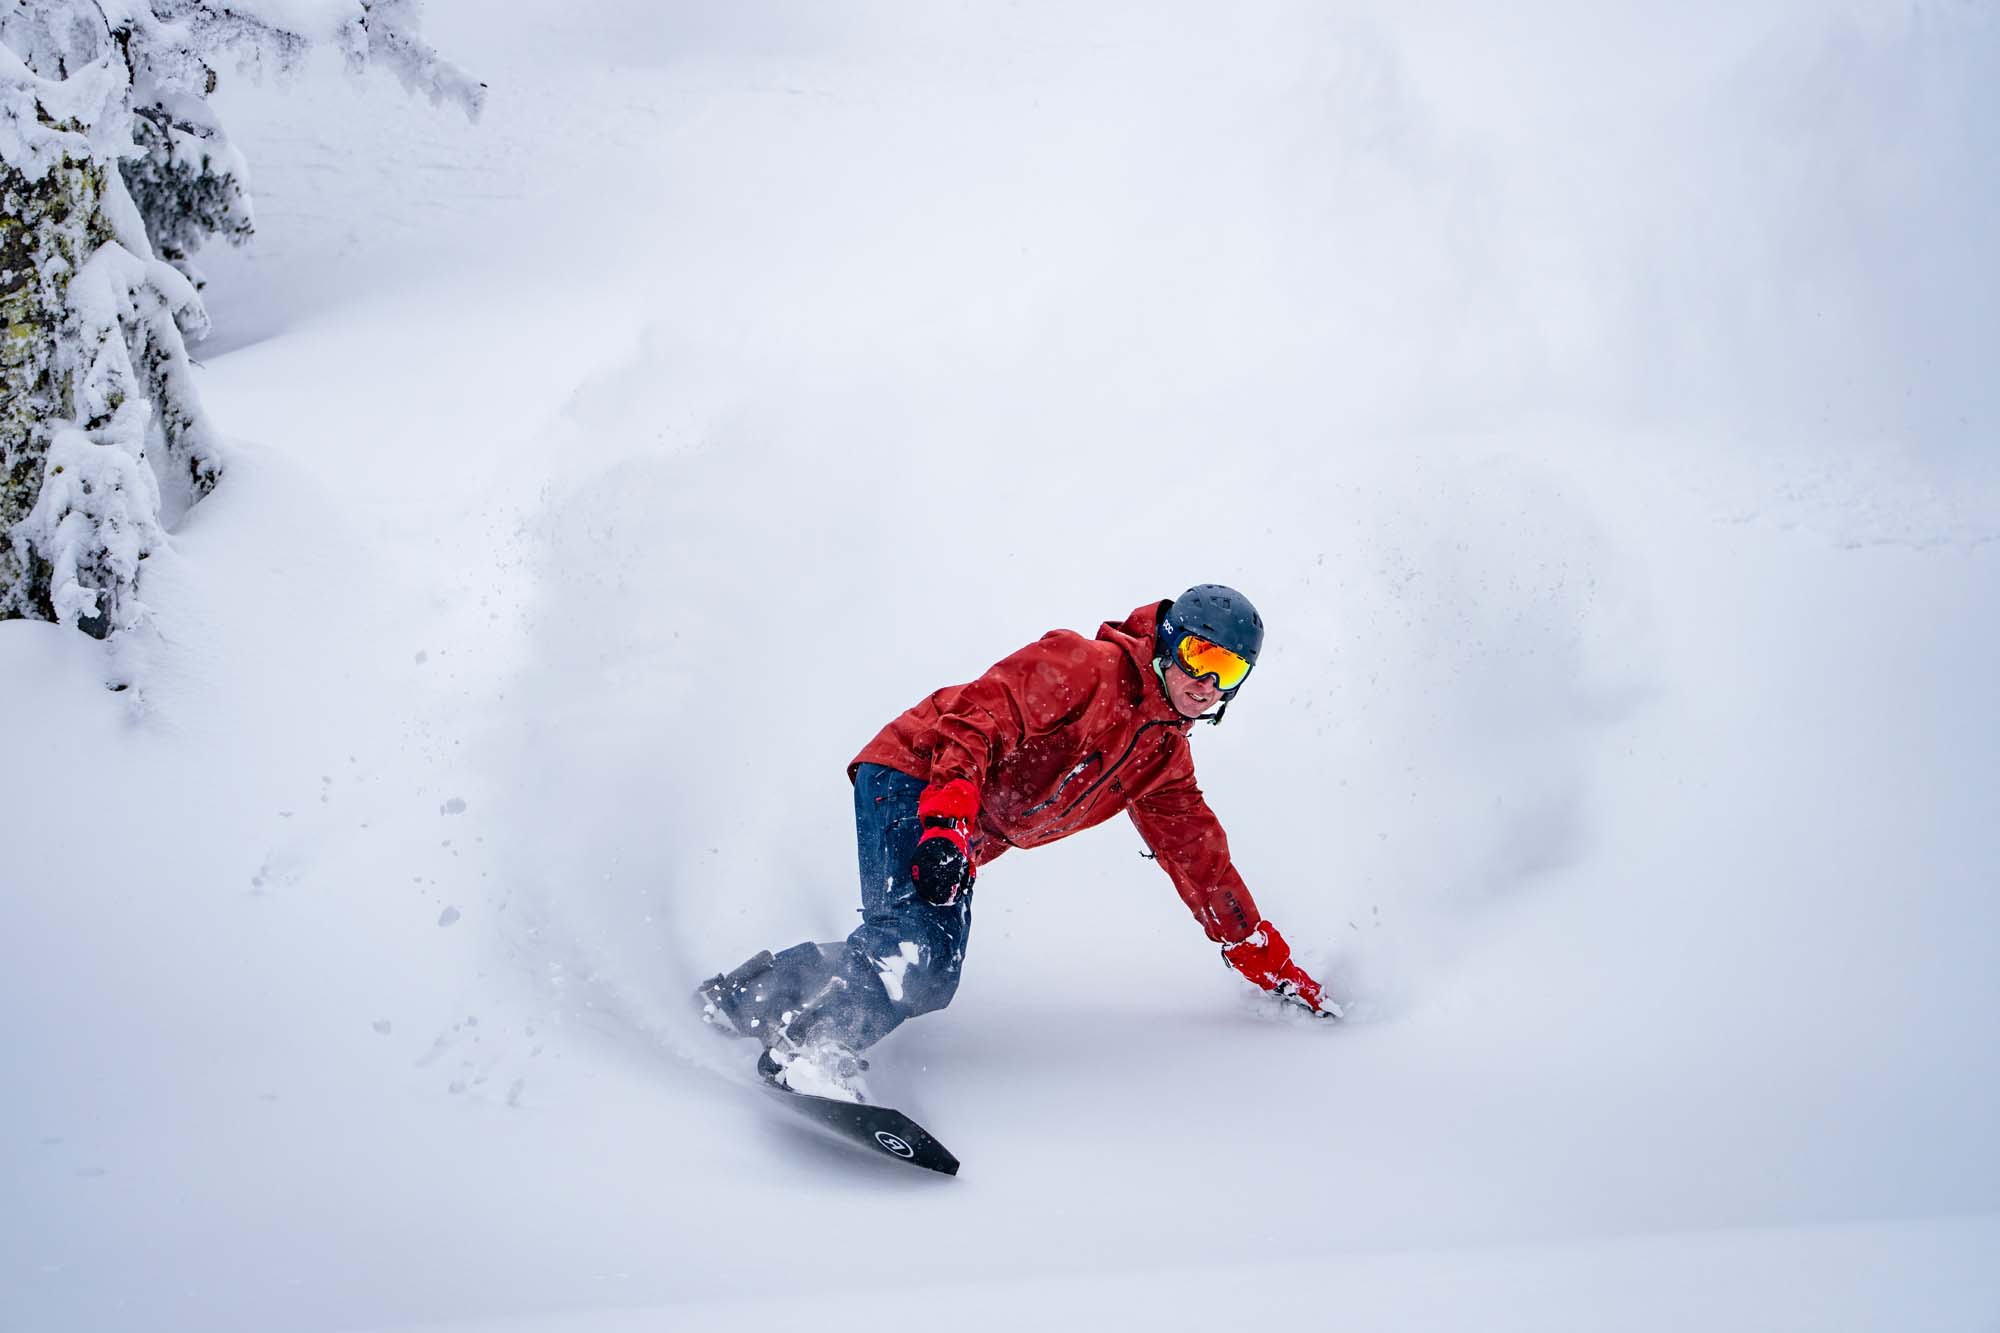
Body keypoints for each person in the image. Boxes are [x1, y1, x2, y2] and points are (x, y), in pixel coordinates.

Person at [696, 584, 1334, 1100]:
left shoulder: (1163, 760)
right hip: (919, 774)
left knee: (911, 946)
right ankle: (810, 1049)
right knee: (924, 955)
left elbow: (1204, 869)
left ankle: (744, 998)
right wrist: (946, 825)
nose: (1209, 683)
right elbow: (976, 719)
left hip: (959, 821)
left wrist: (1270, 968)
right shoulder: (1086, 667)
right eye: (1203, 657)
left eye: (1231, 670)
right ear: (1170, 644)